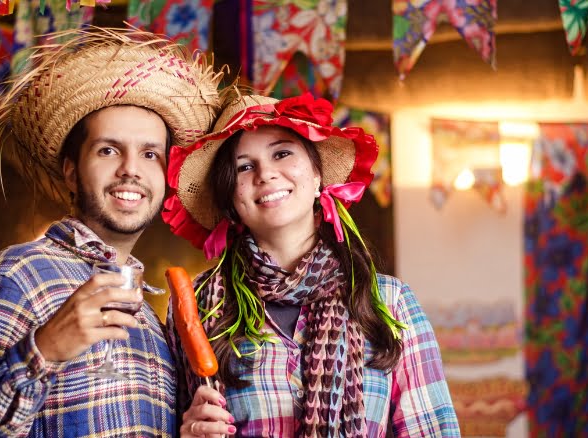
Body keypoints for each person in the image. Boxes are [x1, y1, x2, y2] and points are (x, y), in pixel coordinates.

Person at [0, 27, 228, 437]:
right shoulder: (20, 274)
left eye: (150, 154)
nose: (131, 168)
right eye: (108, 150)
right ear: (70, 171)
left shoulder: (152, 322)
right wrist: (42, 349)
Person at [162, 92, 461, 437]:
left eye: (282, 153)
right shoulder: (197, 303)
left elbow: (433, 431)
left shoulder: (390, 301)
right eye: (245, 166)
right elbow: (173, 421)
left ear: (317, 175)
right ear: (232, 196)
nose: (266, 174)